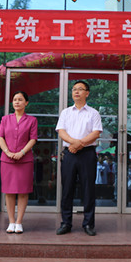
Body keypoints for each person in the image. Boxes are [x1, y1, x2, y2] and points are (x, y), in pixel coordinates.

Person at [55, 80, 103, 236]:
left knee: (88, 189)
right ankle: (66, 223)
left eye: (80, 89)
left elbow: (96, 133)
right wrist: (74, 143)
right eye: (74, 89)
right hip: (69, 153)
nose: (76, 91)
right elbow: (61, 131)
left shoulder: (93, 113)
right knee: (67, 189)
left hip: (87, 154)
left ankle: (88, 224)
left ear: (87, 93)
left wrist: (79, 144)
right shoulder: (65, 112)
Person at [0, 91, 38, 234]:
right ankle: (11, 222)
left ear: (26, 103)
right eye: (15, 99)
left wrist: (22, 152)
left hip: (25, 160)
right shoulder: (5, 119)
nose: (17, 102)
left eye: (20, 100)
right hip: (7, 160)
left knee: (23, 191)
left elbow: (33, 139)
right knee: (9, 191)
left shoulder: (32, 120)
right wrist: (7, 152)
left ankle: (19, 222)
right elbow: (0, 137)